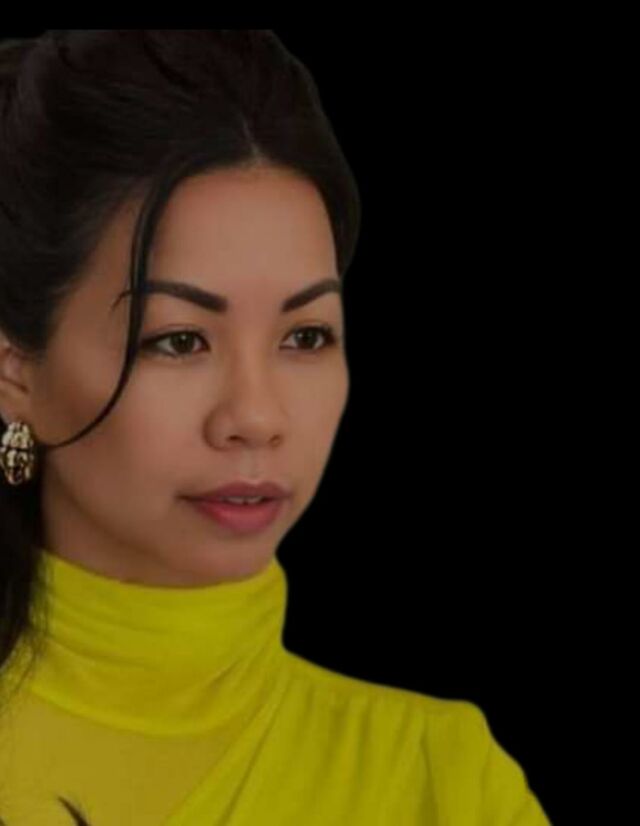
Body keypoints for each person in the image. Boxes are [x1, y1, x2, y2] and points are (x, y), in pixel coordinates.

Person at [0, 30, 551, 824]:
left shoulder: (439, 782)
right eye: (180, 341)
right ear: (16, 371)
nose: (256, 417)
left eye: (305, 336)